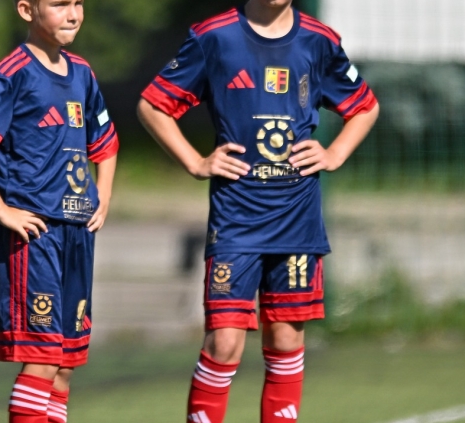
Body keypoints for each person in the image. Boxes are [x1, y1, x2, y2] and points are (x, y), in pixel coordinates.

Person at [136, 1, 379, 422]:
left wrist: (335, 152)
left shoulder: (318, 40)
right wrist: (195, 162)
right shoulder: (214, 37)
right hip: (236, 220)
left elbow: (364, 106)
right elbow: (153, 106)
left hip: (297, 220)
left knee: (285, 340)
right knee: (224, 343)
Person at [0, 1, 118, 421]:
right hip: (36, 234)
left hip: (78, 233)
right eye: (59, 4)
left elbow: (106, 142)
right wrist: (2, 209)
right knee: (42, 358)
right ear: (27, 10)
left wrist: (103, 196)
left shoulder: (83, 73)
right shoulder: (15, 72)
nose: (73, 14)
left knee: (65, 364)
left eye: (78, 3)